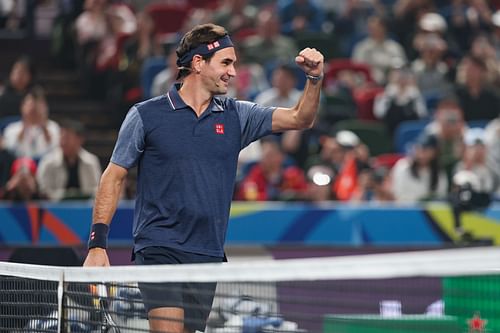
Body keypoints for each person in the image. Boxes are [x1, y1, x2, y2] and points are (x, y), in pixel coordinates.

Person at [83, 23, 324, 333]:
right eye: (226, 62)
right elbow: (113, 176)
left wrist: (314, 78)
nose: (234, 72)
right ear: (198, 63)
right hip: (160, 247)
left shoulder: (238, 115)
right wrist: (97, 246)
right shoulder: (146, 115)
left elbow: (300, 118)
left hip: (207, 252)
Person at [36, 119, 102, 201]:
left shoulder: (91, 161)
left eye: (67, 137)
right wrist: (65, 195)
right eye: (61, 136)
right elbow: (44, 191)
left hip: (85, 210)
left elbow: (97, 189)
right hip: (54, 210)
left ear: (80, 139)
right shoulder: (48, 162)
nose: (63, 141)